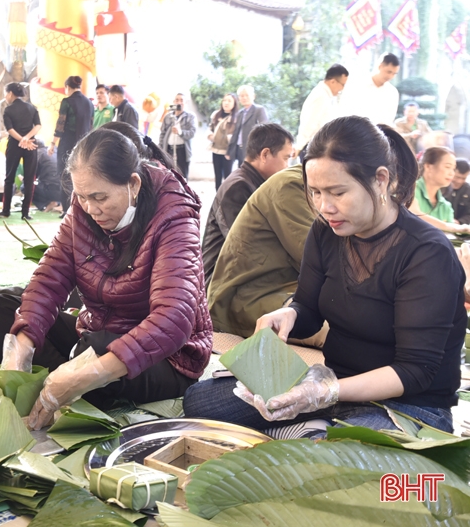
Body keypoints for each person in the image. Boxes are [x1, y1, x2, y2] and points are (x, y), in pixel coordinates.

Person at [184, 116, 466, 435]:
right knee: (202, 401)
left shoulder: (426, 253)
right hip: (332, 385)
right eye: (315, 192)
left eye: (337, 192)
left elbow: (415, 372)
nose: (324, 207)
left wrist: (327, 392)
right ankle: (313, 428)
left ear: (381, 180)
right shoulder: (326, 231)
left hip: (407, 404)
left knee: (339, 463)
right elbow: (309, 310)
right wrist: (288, 314)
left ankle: (314, 431)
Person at [0, 128, 213, 429]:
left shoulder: (174, 217)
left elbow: (173, 320)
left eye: (99, 197)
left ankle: (76, 380)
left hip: (165, 358)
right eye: (81, 197)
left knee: (95, 350)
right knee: (1, 308)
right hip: (95, 335)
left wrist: (89, 373)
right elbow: (49, 280)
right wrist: (20, 352)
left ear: (133, 184)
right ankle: (65, 381)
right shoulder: (84, 211)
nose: (90, 208)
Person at [208, 165, 315, 338]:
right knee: (348, 327)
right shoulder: (287, 185)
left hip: (281, 286)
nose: (328, 205)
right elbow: (316, 260)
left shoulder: (300, 183)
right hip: (247, 296)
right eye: (284, 157)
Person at [202, 123, 294, 287]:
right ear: (265, 154)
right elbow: (245, 247)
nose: (288, 166)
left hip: (240, 274)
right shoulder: (239, 187)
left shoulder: (255, 183)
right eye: (286, 158)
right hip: (219, 282)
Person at [49, 76, 94, 216]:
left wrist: (52, 143)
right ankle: (82, 209)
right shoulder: (89, 103)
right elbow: (91, 125)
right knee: (83, 176)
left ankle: (67, 209)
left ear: (67, 87)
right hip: (84, 145)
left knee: (64, 175)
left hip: (67, 143)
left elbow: (60, 124)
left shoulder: (67, 102)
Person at [0, 83, 41, 220]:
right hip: (31, 145)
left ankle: (6, 211)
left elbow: (10, 130)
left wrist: (21, 140)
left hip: (14, 145)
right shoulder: (31, 108)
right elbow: (38, 125)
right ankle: (25, 213)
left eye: (6, 93)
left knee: (9, 178)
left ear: (11, 93)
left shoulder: (8, 110)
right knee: (30, 179)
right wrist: (27, 138)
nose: (5, 97)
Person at [409, 147, 470, 233]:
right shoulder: (409, 190)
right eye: (447, 167)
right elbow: (412, 215)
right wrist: (450, 227)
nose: (451, 173)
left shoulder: (446, 207)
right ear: (428, 167)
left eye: (453, 169)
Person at [295, 64, 349, 156]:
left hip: (317, 147)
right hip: (311, 147)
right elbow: (309, 123)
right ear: (332, 82)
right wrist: (299, 147)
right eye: (342, 84)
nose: (342, 88)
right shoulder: (320, 96)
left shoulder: (326, 96)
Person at [338, 53, 400, 126]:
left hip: (378, 135)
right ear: (380, 66)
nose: (390, 76)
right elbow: (344, 109)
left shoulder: (392, 93)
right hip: (352, 131)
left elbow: (389, 120)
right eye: (389, 72)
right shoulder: (356, 84)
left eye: (394, 74)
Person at [226, 85, 269, 169]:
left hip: (252, 149)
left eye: (247, 95)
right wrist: (229, 150)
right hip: (239, 149)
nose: (244, 98)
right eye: (242, 96)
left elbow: (264, 130)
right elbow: (236, 133)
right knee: (241, 173)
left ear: (253, 96)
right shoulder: (240, 113)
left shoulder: (259, 110)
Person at [158, 93, 196, 178]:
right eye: (177, 100)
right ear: (174, 102)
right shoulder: (168, 116)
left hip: (182, 150)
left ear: (185, 103)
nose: (179, 102)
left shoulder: (190, 117)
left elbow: (192, 132)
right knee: (169, 175)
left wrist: (180, 132)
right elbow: (162, 133)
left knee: (182, 176)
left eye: (181, 100)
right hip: (168, 149)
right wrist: (160, 149)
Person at [208, 93, 238, 191]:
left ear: (234, 103)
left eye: (229, 101)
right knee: (217, 175)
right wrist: (210, 135)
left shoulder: (237, 117)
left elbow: (236, 135)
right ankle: (217, 197)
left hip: (227, 150)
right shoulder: (216, 114)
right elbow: (210, 127)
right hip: (215, 149)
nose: (226, 103)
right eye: (225, 100)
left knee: (227, 176)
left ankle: (226, 198)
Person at [31, 138, 61, 212]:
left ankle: (48, 203)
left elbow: (33, 175)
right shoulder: (54, 150)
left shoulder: (37, 154)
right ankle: (59, 203)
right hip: (64, 190)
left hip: (51, 189)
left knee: (25, 186)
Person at [442, 157, 470, 225]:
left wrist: (460, 222)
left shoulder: (468, 190)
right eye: (457, 177)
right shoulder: (441, 186)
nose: (459, 181)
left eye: (463, 178)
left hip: (460, 228)